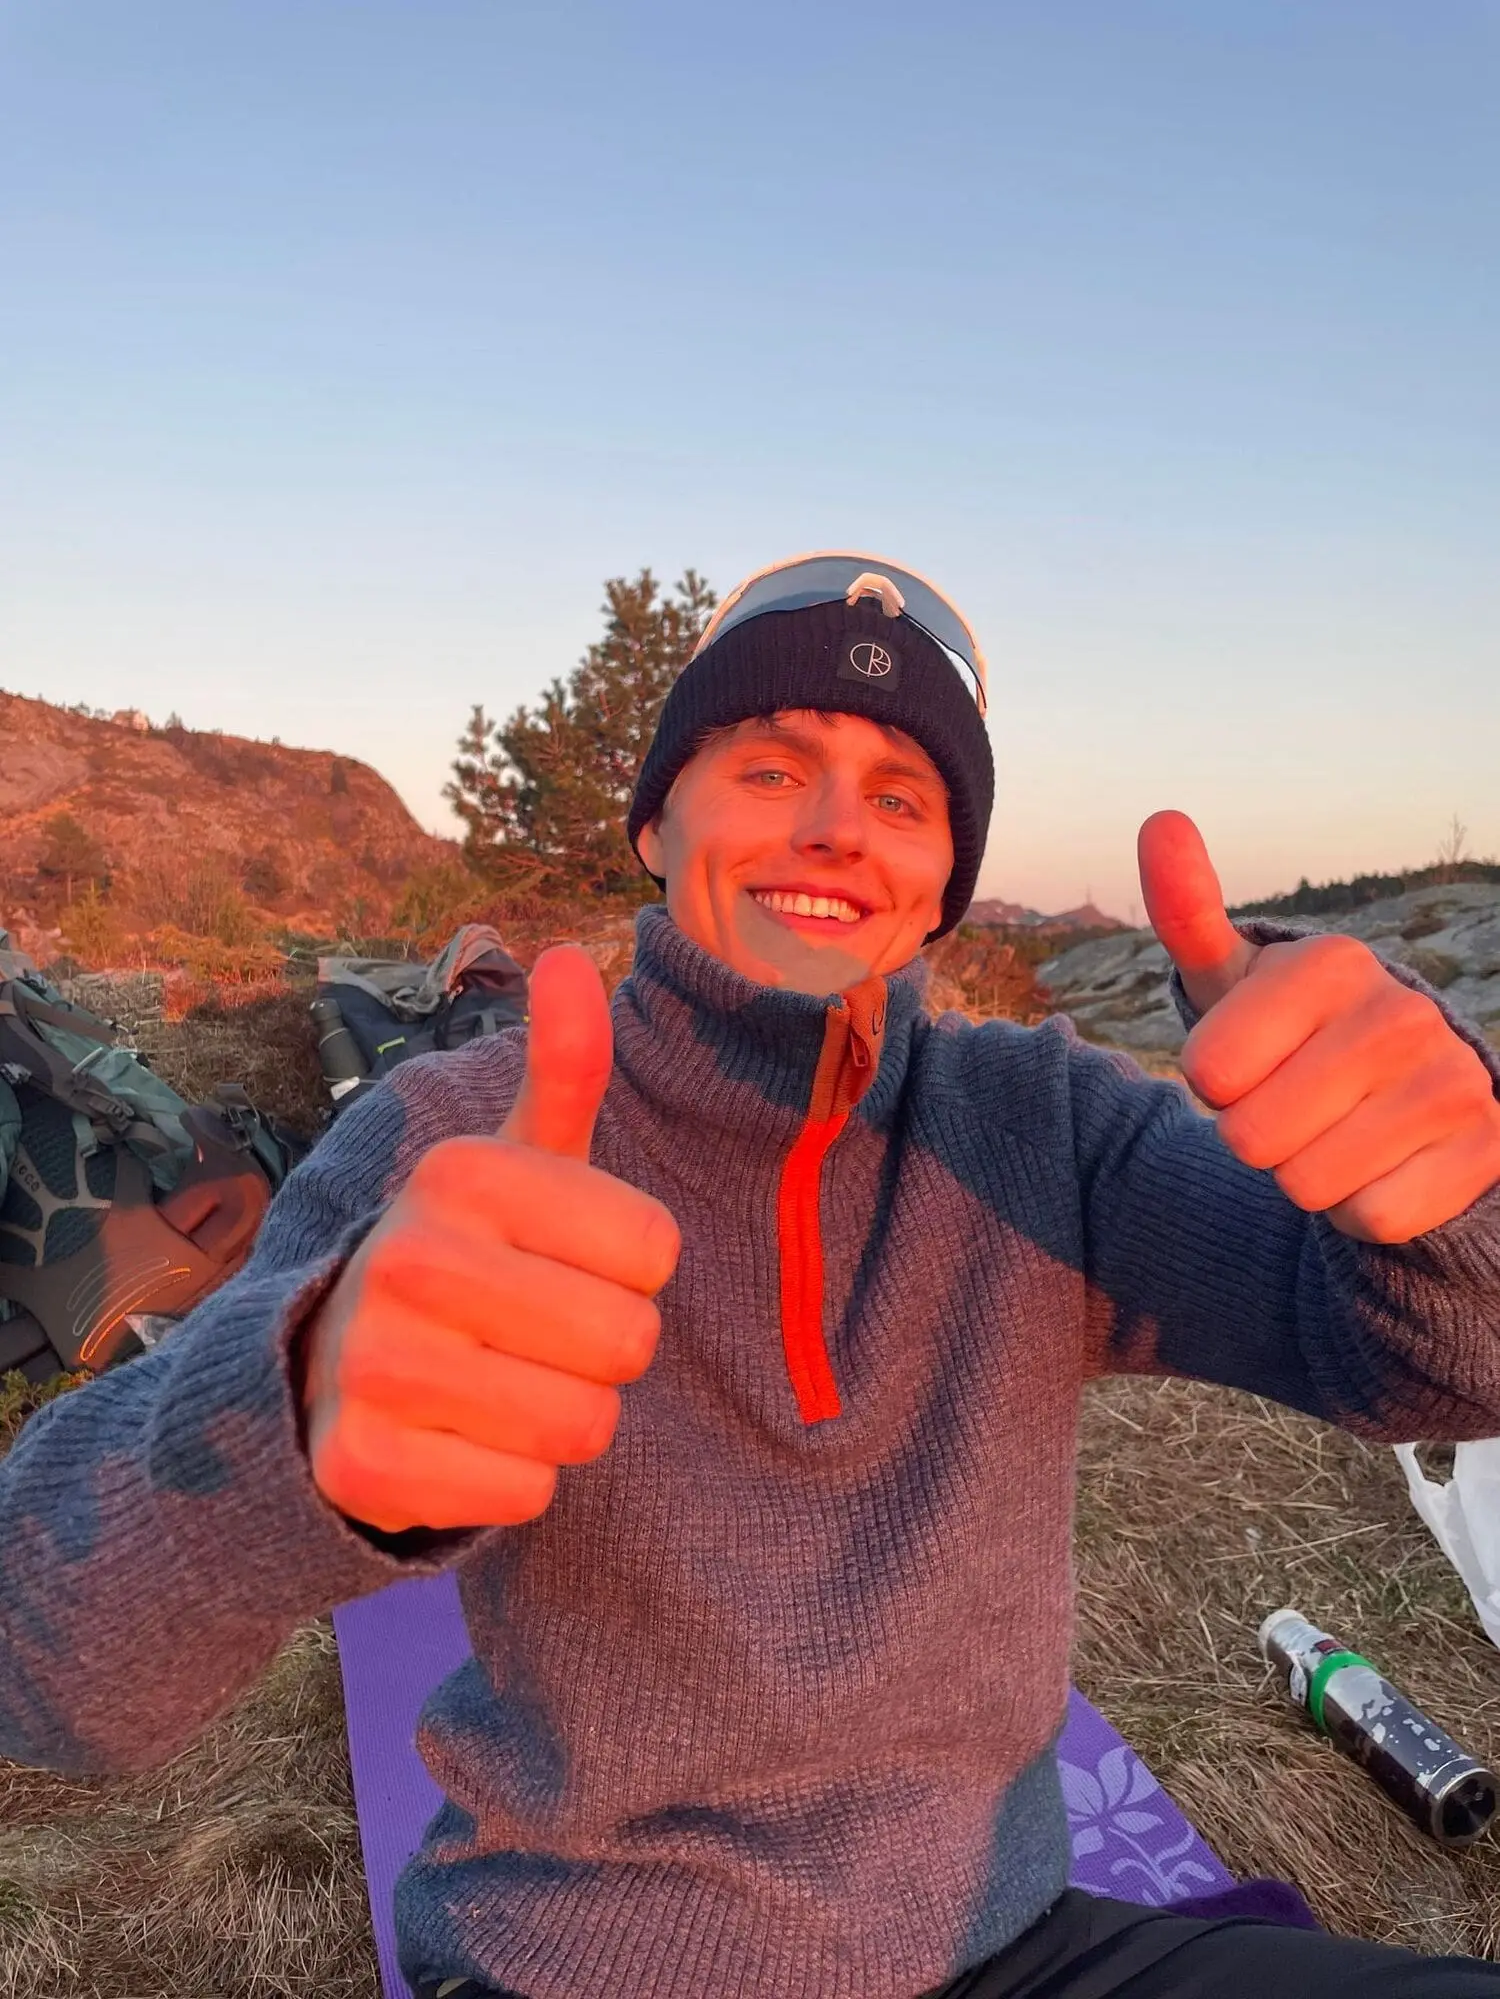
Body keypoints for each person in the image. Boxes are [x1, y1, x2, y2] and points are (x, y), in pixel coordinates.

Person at [2, 553, 1499, 1999]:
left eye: (901, 798)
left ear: (942, 886)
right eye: (773, 768)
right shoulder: (456, 1144)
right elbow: (45, 1666)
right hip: (581, 1967)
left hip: (1008, 1945)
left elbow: (1445, 1368)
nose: (839, 829)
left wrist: (1449, 1203)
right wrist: (282, 1429)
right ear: (658, 823)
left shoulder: (1048, 1127)